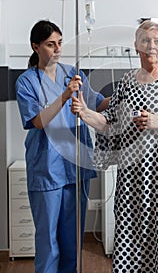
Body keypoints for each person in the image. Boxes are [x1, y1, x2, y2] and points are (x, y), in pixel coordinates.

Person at [71, 20, 158, 273]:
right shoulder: (125, 84)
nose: (151, 46)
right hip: (133, 180)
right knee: (132, 239)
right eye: (145, 41)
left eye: (157, 41)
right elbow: (110, 123)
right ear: (136, 46)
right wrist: (85, 112)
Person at [15, 19, 109, 273]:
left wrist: (130, 91)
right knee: (48, 241)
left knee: (72, 241)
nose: (57, 49)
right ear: (35, 47)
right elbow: (37, 121)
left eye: (59, 43)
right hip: (47, 169)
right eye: (49, 44)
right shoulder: (26, 82)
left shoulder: (72, 73)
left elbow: (98, 103)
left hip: (74, 166)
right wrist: (65, 95)